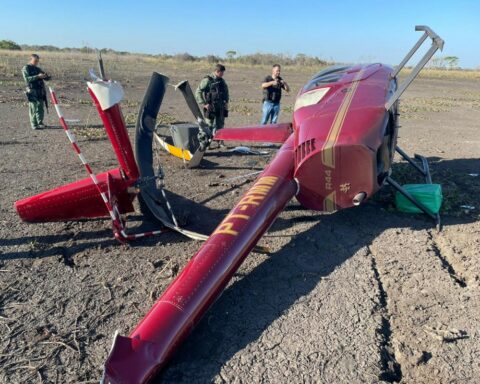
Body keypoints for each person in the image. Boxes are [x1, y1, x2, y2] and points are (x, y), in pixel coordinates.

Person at [195, 63, 229, 134]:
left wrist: (226, 103)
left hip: (221, 106)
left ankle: (220, 142)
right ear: (217, 71)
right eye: (221, 72)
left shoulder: (222, 81)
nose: (223, 74)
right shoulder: (207, 80)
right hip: (210, 107)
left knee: (220, 126)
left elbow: (226, 92)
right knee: (208, 125)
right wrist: (204, 103)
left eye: (223, 72)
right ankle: (207, 142)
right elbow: (198, 91)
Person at [22, 54, 50, 130]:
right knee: (33, 108)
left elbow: (47, 78)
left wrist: (46, 76)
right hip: (32, 90)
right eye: (35, 61)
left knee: (40, 107)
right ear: (30, 59)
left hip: (40, 90)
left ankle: (40, 123)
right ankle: (34, 124)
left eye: (37, 61)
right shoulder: (26, 68)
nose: (36, 62)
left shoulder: (38, 69)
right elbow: (27, 79)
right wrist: (38, 76)